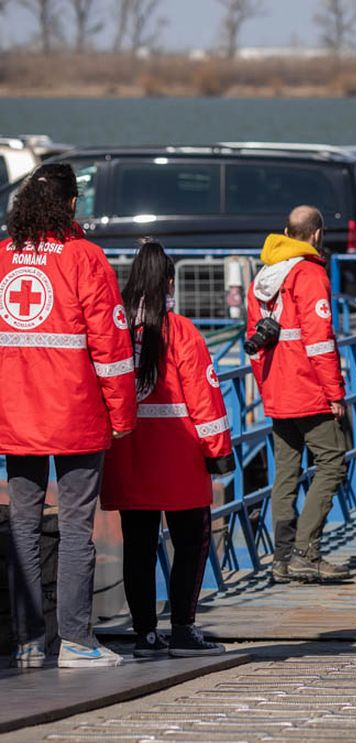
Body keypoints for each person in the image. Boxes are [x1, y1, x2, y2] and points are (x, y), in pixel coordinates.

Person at [0, 163, 136, 669]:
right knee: (77, 525)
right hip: (74, 413)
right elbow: (112, 347)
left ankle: (30, 642)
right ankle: (76, 640)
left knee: (23, 527)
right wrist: (122, 413)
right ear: (72, 204)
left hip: (14, 414)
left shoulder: (3, 258)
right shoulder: (85, 258)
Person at [102, 240, 232, 658]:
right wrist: (218, 452)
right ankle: (181, 629)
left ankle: (144, 634)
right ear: (170, 282)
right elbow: (205, 400)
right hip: (179, 456)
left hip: (128, 453)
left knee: (138, 546)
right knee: (191, 543)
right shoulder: (182, 332)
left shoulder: (117, 331)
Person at [246, 206, 349, 584]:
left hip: (277, 387)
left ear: (286, 231)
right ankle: (307, 552)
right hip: (308, 389)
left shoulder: (263, 277)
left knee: (286, 473)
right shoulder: (309, 274)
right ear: (317, 235)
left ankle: (281, 559)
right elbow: (319, 341)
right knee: (333, 462)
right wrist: (334, 393)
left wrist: (267, 386)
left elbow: (253, 342)